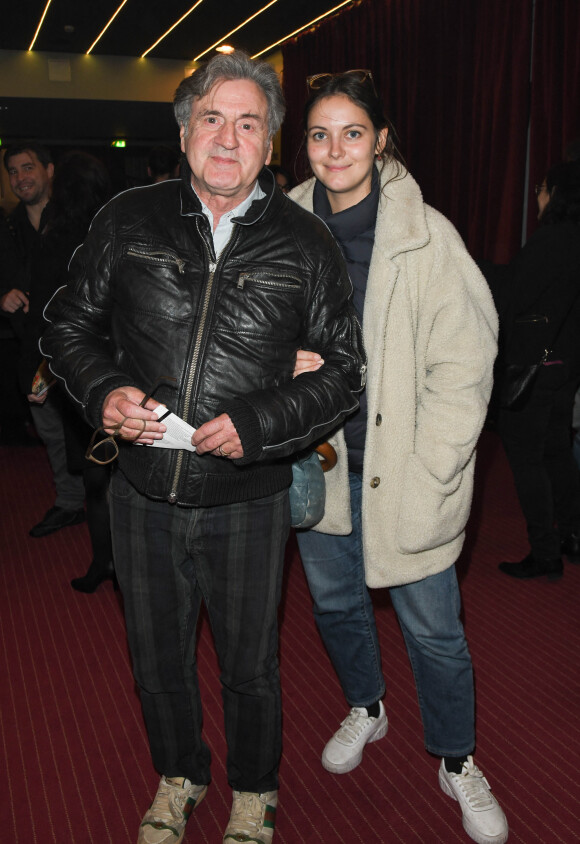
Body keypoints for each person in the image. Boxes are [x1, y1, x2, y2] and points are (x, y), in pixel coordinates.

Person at [41, 51, 365, 844]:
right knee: (155, 662)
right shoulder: (127, 218)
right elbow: (67, 325)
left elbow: (346, 375)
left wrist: (258, 423)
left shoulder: (306, 243)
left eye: (248, 123)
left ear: (269, 144)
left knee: (250, 668)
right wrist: (105, 391)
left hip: (248, 500)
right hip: (142, 491)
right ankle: (180, 771)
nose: (228, 137)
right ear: (185, 130)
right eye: (212, 118)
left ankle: (255, 789)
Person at [290, 70, 508, 844]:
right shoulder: (278, 228)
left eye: (353, 132)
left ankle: (457, 758)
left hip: (406, 472)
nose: (335, 149)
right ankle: (368, 705)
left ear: (382, 140)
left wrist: (438, 464)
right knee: (335, 604)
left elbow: (466, 361)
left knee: (434, 629)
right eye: (320, 133)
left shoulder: (427, 234)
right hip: (314, 462)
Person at [484, 161, 580, 580]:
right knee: (557, 453)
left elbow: (514, 294)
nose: (537, 195)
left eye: (542, 187)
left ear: (557, 193)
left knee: (526, 460)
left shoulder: (553, 239)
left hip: (535, 367)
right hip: (565, 368)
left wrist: (471, 268)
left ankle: (545, 554)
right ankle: (573, 537)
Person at [2, 142, 86, 536]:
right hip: (32, 348)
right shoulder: (8, 227)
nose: (21, 178)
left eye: (28, 167)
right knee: (51, 432)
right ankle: (70, 503)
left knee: (88, 431)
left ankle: (104, 506)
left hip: (78, 348)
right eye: (13, 171)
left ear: (49, 170)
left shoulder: (76, 219)